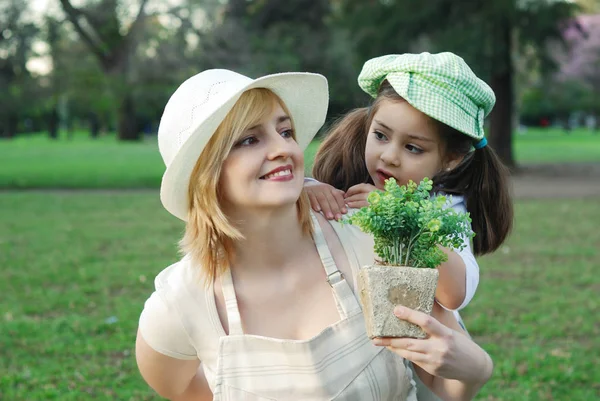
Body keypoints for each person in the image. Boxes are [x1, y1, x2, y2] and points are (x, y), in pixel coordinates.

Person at [135, 68, 494, 401]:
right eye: (249, 140)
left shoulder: (374, 242)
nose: (284, 149)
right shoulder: (179, 305)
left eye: (285, 131)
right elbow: (184, 390)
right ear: (205, 173)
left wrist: (476, 370)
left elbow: (441, 384)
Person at [308, 52, 514, 318]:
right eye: (380, 135)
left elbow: (455, 294)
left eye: (413, 148)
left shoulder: (443, 206)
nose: (389, 156)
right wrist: (305, 188)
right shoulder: (346, 175)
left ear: (450, 159)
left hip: (414, 342)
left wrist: (398, 214)